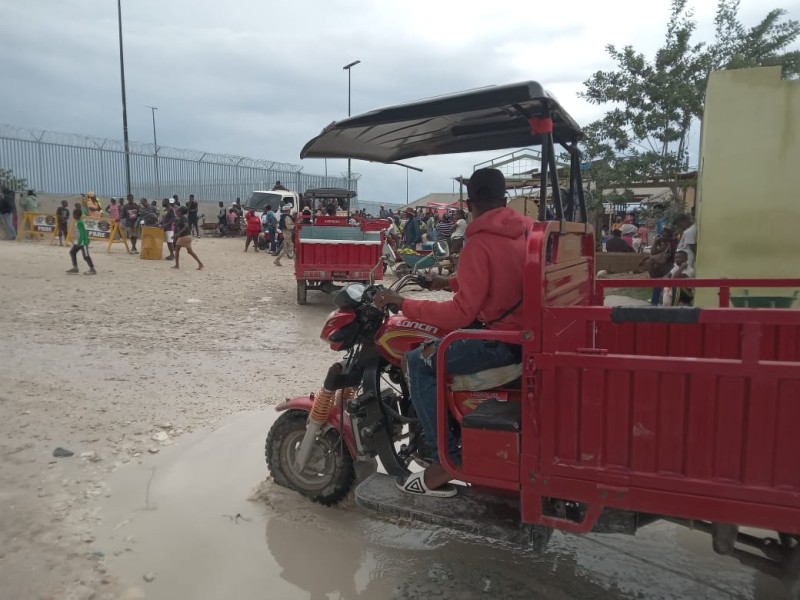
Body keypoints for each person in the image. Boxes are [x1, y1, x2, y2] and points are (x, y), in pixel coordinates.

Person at [374, 168, 529, 497]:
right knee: (434, 347)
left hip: (499, 342)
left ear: (470, 203)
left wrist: (404, 304)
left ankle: (447, 459)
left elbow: (461, 313)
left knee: (418, 361)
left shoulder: (479, 241)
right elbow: (501, 279)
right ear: (504, 200)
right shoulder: (524, 233)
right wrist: (448, 282)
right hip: (522, 335)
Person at [642, 228, 675, 305]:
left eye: (664, 233)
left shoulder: (668, 244)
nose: (662, 235)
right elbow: (654, 252)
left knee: (657, 279)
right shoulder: (668, 243)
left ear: (668, 235)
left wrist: (656, 243)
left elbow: (654, 252)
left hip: (668, 266)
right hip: (668, 266)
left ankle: (655, 300)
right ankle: (656, 299)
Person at [66, 208, 96, 275]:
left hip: (83, 242)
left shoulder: (80, 222)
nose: (73, 215)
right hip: (79, 241)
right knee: (72, 252)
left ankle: (92, 269)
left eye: (74, 214)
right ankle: (75, 268)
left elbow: (82, 233)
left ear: (76, 215)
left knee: (86, 256)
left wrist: (80, 243)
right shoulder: (78, 221)